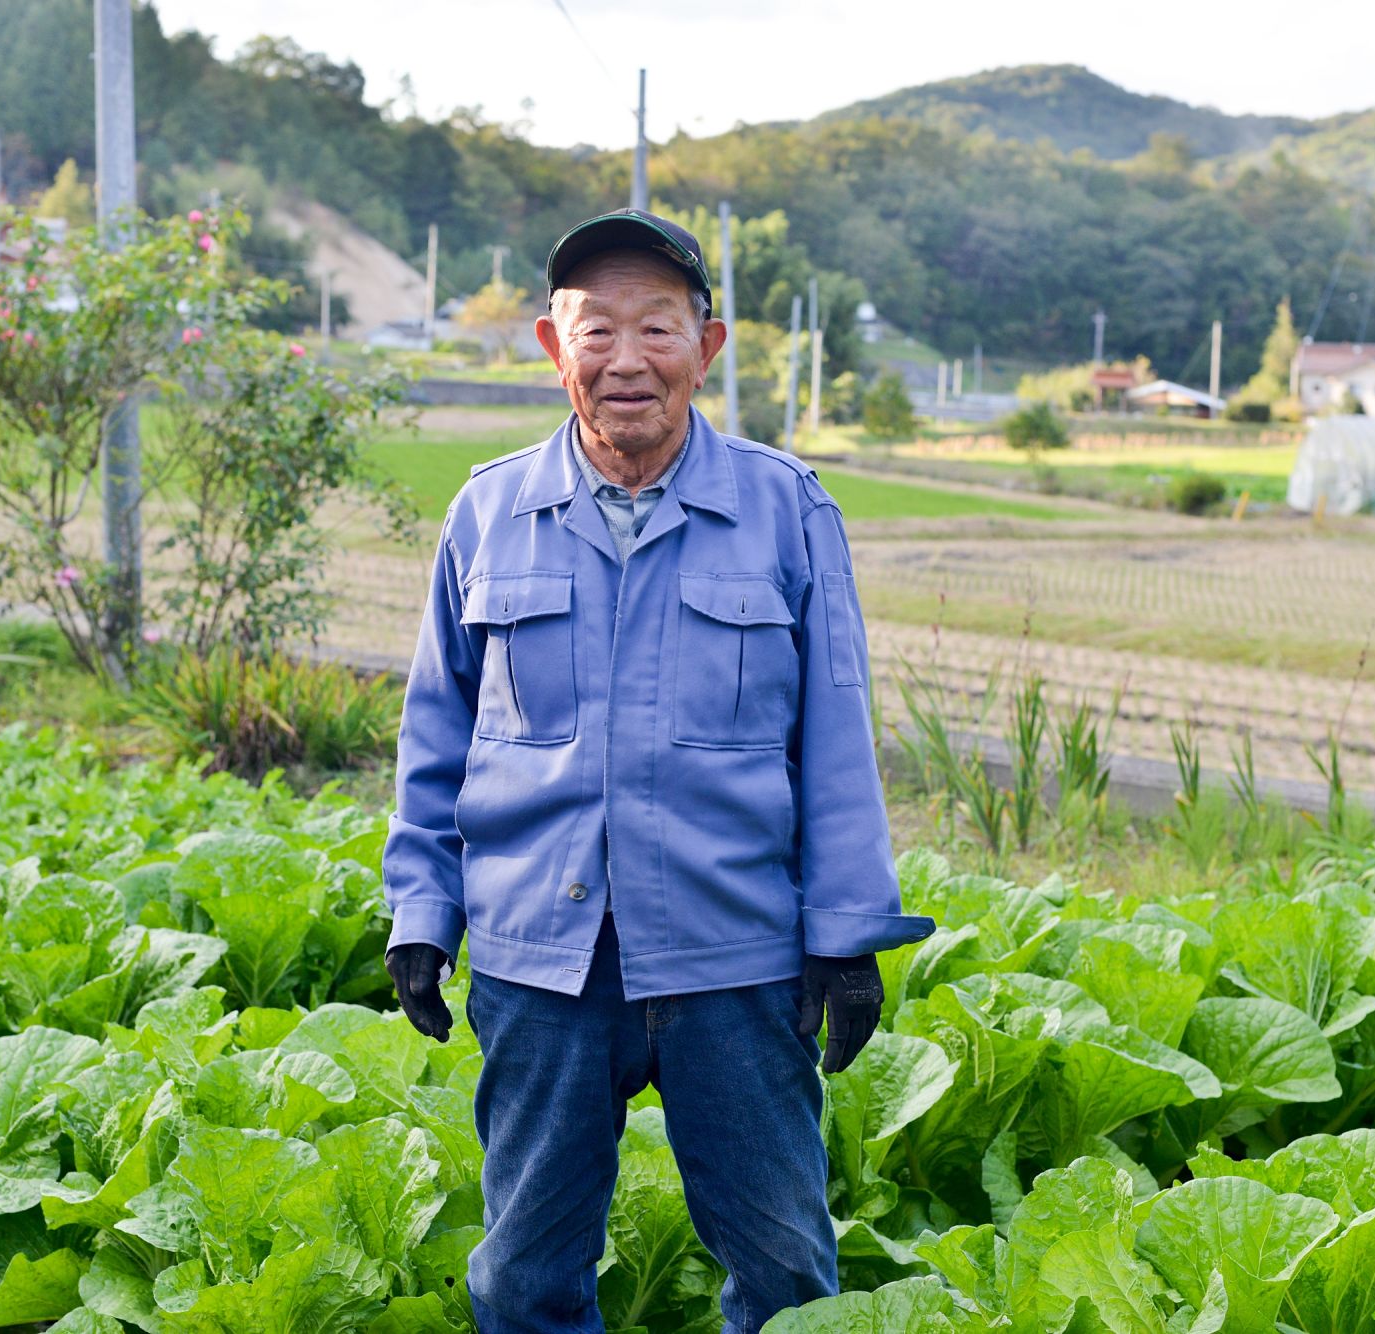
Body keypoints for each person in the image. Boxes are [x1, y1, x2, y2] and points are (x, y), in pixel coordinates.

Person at [381, 207, 934, 1334]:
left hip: (732, 955)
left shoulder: (786, 509)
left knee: (782, 1266)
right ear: (551, 346)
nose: (625, 361)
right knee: (522, 1273)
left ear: (707, 347)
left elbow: (833, 735)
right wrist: (419, 907)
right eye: (597, 332)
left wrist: (846, 930)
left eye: (657, 329)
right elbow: (436, 731)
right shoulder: (487, 511)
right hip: (543, 957)